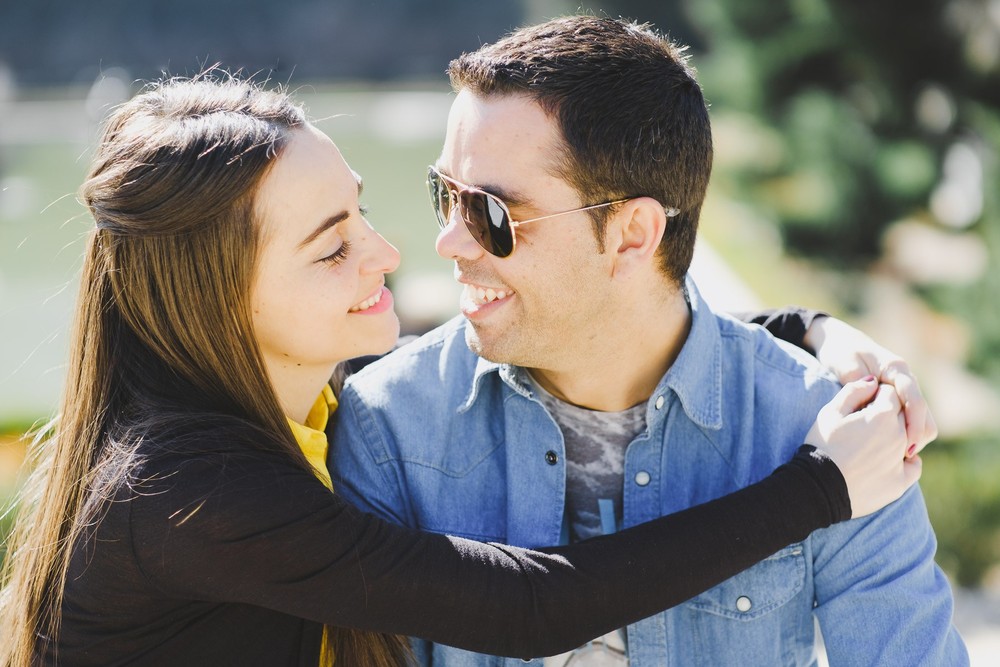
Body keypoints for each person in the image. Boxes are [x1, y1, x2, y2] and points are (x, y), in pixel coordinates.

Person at [0, 74, 920, 667]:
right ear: (219, 297)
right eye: (332, 250)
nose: (395, 250)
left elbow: (598, 317)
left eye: (363, 214)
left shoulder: (295, 410)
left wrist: (805, 327)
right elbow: (528, 606)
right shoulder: (194, 492)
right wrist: (820, 486)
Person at [330, 16, 968, 666]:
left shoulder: (831, 431)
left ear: (633, 234)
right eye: (446, 195)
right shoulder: (389, 427)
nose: (449, 242)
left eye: (492, 214)